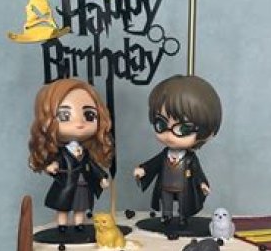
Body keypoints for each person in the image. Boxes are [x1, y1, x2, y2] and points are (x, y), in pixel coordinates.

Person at [133, 75, 222, 225]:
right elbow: (153, 164)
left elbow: (198, 172)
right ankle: (166, 216)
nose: (169, 135)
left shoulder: (190, 159)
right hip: (166, 185)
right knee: (166, 201)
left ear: (205, 130)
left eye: (183, 129)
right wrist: (143, 170)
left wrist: (202, 184)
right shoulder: (164, 155)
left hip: (183, 186)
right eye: (161, 125)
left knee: (184, 202)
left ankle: (183, 217)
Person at [28, 79, 113, 230]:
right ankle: (62, 225)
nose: (79, 123)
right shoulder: (62, 152)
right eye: (65, 115)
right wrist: (51, 166)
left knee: (81, 206)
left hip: (82, 184)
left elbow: (93, 166)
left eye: (89, 115)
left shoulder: (84, 152)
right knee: (63, 206)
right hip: (66, 184)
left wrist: (102, 177)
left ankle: (79, 224)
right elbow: (56, 162)